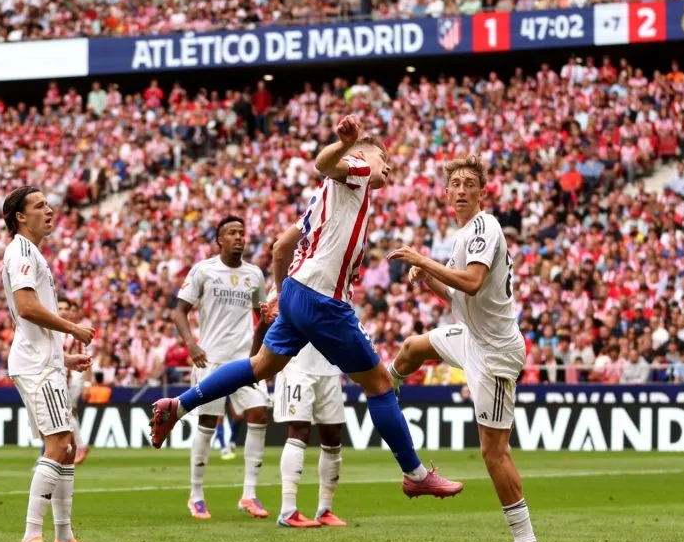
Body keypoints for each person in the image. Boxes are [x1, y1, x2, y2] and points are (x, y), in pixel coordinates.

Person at [149, 115, 462, 500]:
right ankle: (415, 473)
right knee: (380, 383)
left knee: (260, 367)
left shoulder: (326, 200)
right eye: (384, 159)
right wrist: (346, 144)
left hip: (299, 291)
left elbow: (281, 247)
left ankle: (176, 406)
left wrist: (283, 296)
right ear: (363, 156)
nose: (388, 168)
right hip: (322, 300)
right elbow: (325, 163)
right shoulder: (356, 171)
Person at [386, 156, 543, 542]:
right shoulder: (462, 236)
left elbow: (472, 283)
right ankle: (384, 390)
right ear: (445, 191)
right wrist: (430, 279)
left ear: (481, 191)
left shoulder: (484, 227)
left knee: (494, 452)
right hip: (473, 336)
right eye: (454, 183)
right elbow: (459, 297)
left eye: (468, 183)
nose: (460, 189)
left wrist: (423, 261)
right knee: (412, 347)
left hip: (494, 352)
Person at [1, 186, 100, 542]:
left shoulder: (33, 252)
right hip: (35, 367)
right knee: (57, 446)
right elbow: (26, 307)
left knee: (68, 448)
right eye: (39, 205)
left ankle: (63, 538)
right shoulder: (22, 251)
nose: (49, 209)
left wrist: (64, 359)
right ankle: (30, 539)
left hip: (46, 363)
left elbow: (28, 318)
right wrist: (71, 328)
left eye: (48, 203)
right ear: (20, 217)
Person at [172, 215, 270, 520]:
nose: (239, 237)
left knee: (258, 413)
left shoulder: (255, 275)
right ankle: (196, 495)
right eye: (232, 233)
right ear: (220, 239)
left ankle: (250, 494)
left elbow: (262, 319)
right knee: (208, 423)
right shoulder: (204, 270)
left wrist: (259, 354)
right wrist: (191, 344)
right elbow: (179, 311)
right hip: (210, 359)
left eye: (242, 232)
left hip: (244, 361)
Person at [262, 285, 347, 528]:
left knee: (333, 436)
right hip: (297, 365)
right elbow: (272, 318)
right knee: (299, 431)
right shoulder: (288, 280)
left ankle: (325, 509)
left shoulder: (339, 281)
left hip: (328, 367)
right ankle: (288, 511)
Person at [58, 298, 91, 465]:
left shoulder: (77, 331)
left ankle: (79, 445)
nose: (63, 311)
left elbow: (87, 357)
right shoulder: (56, 328)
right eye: (60, 308)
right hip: (61, 376)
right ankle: (73, 444)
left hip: (74, 376)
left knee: (66, 412)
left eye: (66, 308)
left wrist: (87, 383)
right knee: (70, 412)